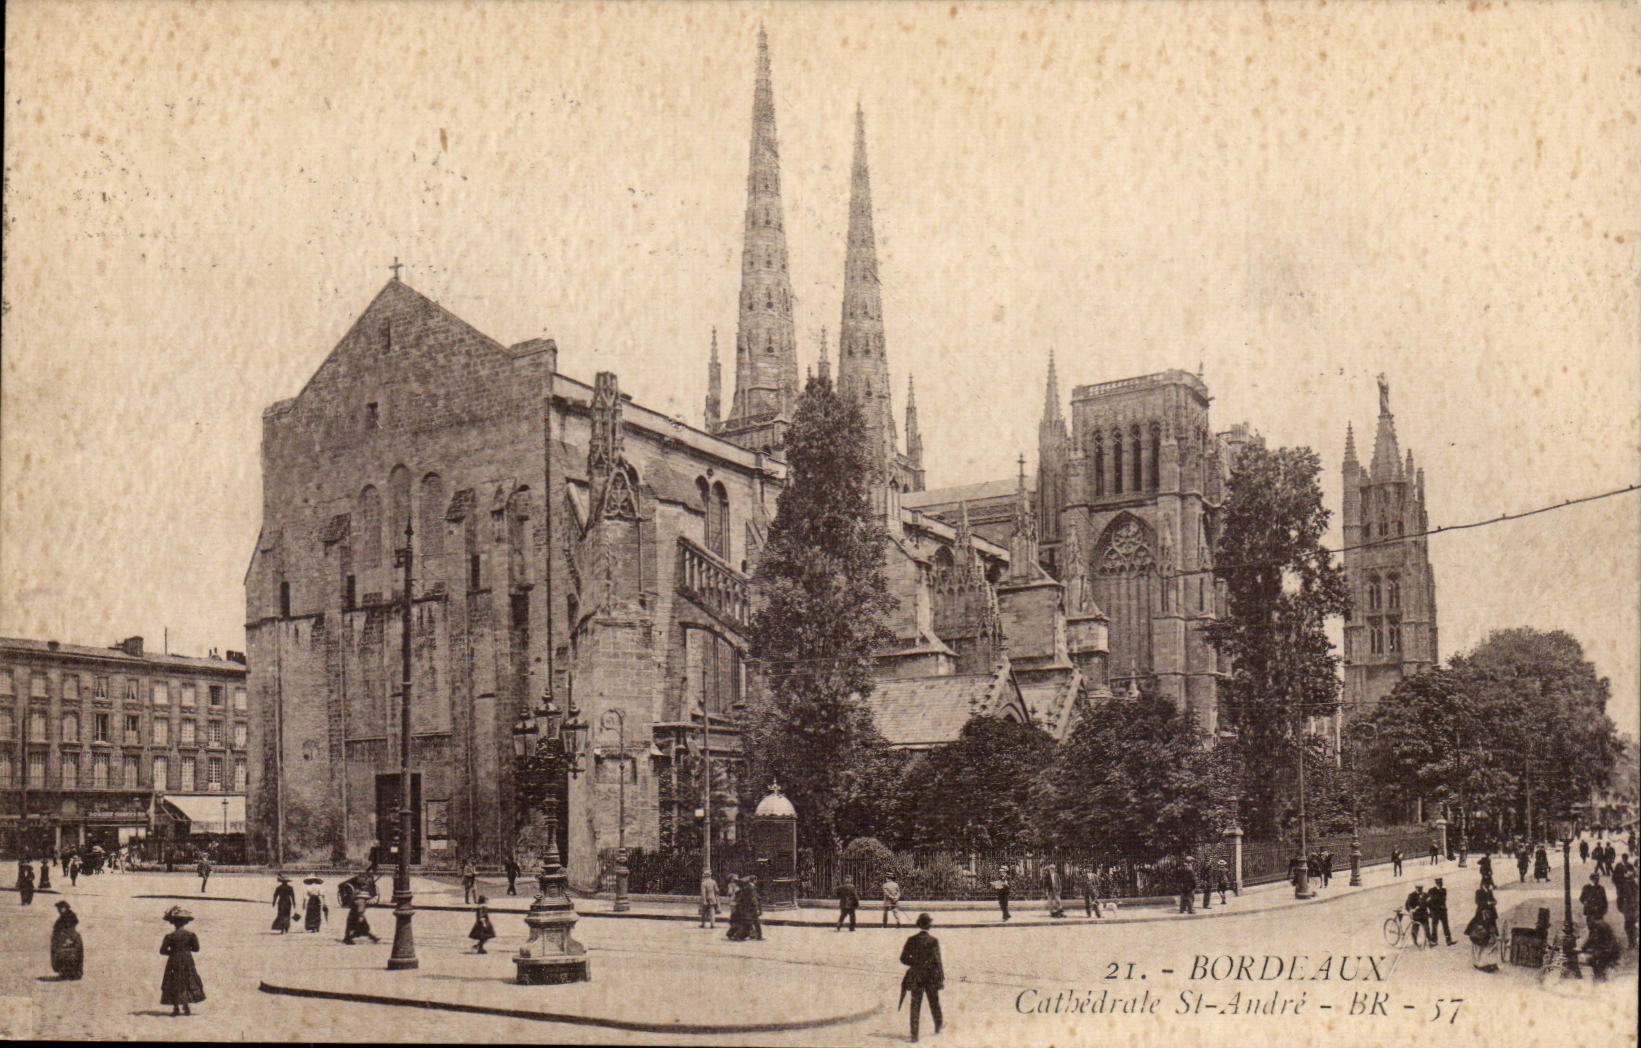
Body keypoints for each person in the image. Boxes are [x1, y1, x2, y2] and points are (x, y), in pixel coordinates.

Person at [899, 913, 944, 1044]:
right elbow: (938, 961)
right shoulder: (933, 941)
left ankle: (914, 1035)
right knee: (934, 1002)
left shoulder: (911, 940)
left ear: (919, 925)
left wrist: (914, 963)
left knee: (915, 1005)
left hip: (916, 976)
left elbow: (903, 959)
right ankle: (938, 1026)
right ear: (929, 926)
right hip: (931, 977)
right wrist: (941, 978)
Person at [159, 906, 205, 1017]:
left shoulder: (169, 936)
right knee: (187, 980)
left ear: (173, 923)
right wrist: (186, 950)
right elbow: (196, 949)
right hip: (187, 960)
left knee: (173, 982)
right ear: (185, 923)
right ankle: (186, 1006)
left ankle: (176, 1008)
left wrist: (172, 952)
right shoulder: (191, 935)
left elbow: (162, 951)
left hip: (174, 960)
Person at [50, 900, 85, 980]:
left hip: (70, 938)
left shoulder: (70, 917)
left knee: (71, 956)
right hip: (64, 939)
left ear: (65, 908)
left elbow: (71, 926)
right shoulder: (62, 917)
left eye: (60, 908)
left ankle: (73, 973)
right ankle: (65, 973)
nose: (59, 910)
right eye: (58, 908)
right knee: (63, 956)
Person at [1582, 918, 1622, 982]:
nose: (1588, 925)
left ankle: (1600, 976)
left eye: (1588, 923)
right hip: (1603, 950)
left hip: (1609, 951)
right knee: (1592, 960)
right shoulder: (1594, 929)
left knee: (1597, 961)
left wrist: (1607, 950)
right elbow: (1590, 940)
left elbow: (1610, 942)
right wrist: (1584, 947)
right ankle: (1599, 975)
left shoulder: (1599, 928)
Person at [1612, 854, 1637, 950]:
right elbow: (1615, 876)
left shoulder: (1633, 884)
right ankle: (1632, 942)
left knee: (1629, 925)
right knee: (1629, 925)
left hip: (1631, 908)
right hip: (1629, 906)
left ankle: (1632, 942)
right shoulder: (1619, 866)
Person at [1427, 878, 1453, 946]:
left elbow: (1443, 900)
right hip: (1435, 911)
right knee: (1434, 927)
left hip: (1443, 911)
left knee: (1446, 926)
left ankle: (1448, 941)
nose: (1440, 884)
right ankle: (1434, 941)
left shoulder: (1444, 890)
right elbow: (1430, 901)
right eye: (1439, 883)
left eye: (1441, 883)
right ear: (1436, 883)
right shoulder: (1431, 890)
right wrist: (1431, 911)